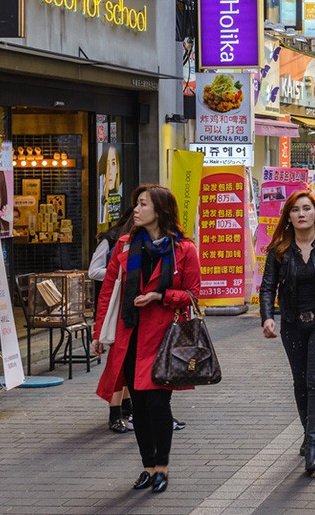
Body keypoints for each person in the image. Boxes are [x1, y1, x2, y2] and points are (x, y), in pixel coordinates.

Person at [91, 184, 201, 494]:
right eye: (136, 204)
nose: (135, 211)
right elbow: (108, 291)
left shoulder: (184, 249)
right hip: (130, 334)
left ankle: (162, 466)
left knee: (157, 402)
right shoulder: (125, 246)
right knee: (138, 405)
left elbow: (193, 295)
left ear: (160, 210)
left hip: (164, 338)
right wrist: (100, 332)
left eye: (142, 204)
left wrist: (161, 295)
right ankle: (147, 466)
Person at [259, 191, 315, 476]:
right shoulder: (279, 251)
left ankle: (313, 446)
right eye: (295, 210)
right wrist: (266, 318)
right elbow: (267, 287)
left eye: (307, 209)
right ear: (289, 216)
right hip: (292, 323)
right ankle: (307, 433)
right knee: (300, 383)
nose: (301, 214)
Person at [89, 206, 135, 434]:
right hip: (119, 309)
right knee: (118, 362)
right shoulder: (113, 241)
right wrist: (116, 272)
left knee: (131, 365)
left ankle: (127, 409)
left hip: (135, 312)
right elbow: (95, 272)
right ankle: (116, 412)